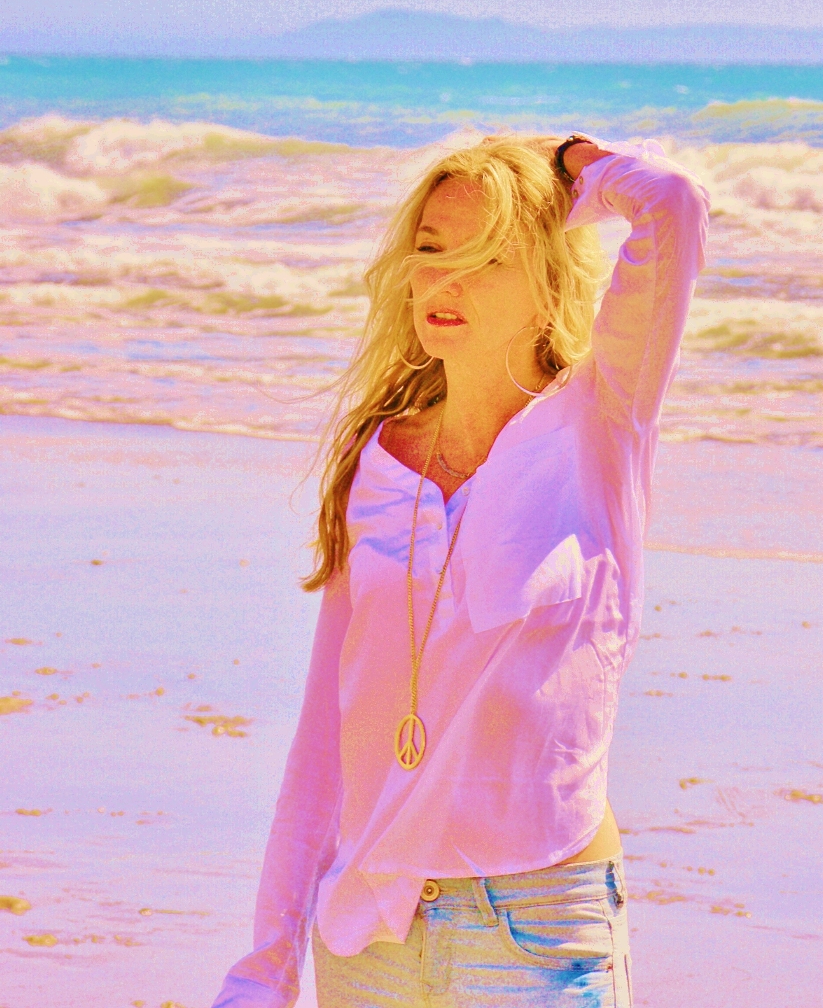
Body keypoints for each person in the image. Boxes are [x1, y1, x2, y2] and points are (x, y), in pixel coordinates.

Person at [213, 133, 709, 1008]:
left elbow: (671, 204)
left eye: (486, 257)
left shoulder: (601, 425)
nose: (445, 280)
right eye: (431, 250)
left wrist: (568, 166)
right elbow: (326, 737)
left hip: (536, 935)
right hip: (369, 935)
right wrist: (265, 966)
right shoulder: (375, 460)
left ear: (547, 279)